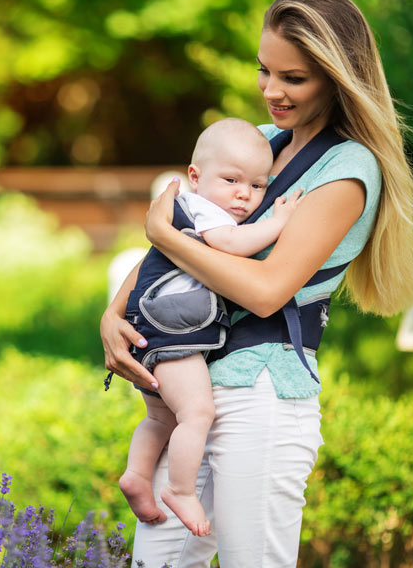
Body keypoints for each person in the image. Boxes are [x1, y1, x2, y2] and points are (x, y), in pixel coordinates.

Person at [100, 0, 413, 567]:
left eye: (293, 78)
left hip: (263, 396)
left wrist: (163, 234)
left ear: (336, 78)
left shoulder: (349, 170)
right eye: (264, 70)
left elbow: (266, 286)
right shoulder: (257, 142)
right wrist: (114, 315)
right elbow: (182, 242)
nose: (271, 90)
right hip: (193, 391)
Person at [118, 118, 303, 538]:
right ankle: (180, 490)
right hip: (174, 336)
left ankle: (135, 475)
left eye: (258, 186)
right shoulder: (203, 210)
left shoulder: (199, 206)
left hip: (154, 332)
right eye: (232, 179)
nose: (244, 193)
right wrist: (278, 220)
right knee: (198, 412)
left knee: (161, 418)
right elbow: (232, 245)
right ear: (195, 177)